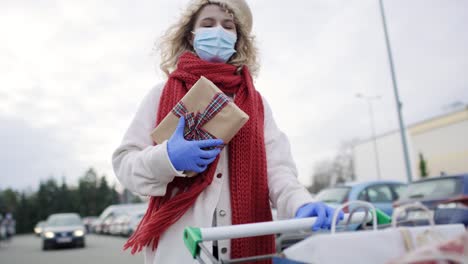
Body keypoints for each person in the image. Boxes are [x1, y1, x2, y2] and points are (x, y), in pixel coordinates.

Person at [112, 0, 343, 263]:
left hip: (244, 252)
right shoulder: (161, 95)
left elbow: (278, 171)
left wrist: (302, 203)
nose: (218, 31)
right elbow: (124, 163)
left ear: (237, 38)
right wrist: (168, 158)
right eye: (208, 24)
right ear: (191, 35)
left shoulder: (257, 104)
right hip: (180, 252)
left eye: (228, 26)